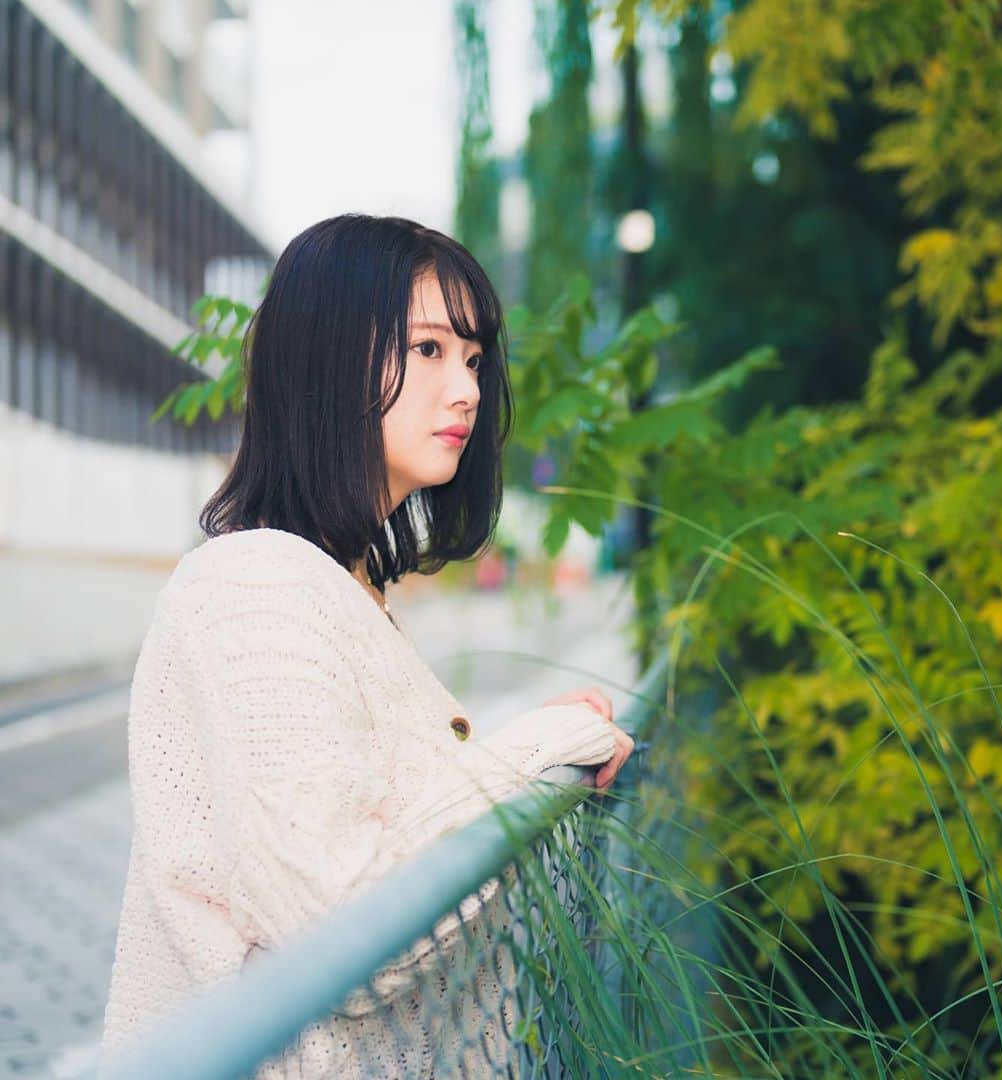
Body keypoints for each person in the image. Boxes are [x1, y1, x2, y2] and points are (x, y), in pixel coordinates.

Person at [99, 214, 635, 1077]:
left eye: (472, 358)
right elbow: (339, 922)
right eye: (428, 350)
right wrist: (541, 751)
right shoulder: (254, 589)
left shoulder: (341, 591)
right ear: (327, 356)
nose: (465, 388)